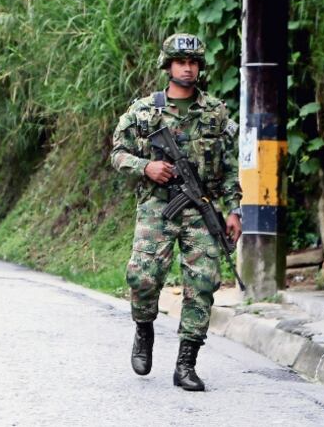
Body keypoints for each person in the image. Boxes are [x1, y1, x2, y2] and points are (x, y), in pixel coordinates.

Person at [110, 33, 241, 392]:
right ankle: (144, 328)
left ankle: (186, 364)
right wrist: (145, 167)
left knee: (202, 284)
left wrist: (234, 210)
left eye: (194, 62)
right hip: (157, 206)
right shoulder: (143, 111)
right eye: (181, 62)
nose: (188, 68)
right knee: (143, 277)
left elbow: (229, 166)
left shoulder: (215, 112)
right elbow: (117, 153)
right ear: (168, 66)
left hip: (202, 208)